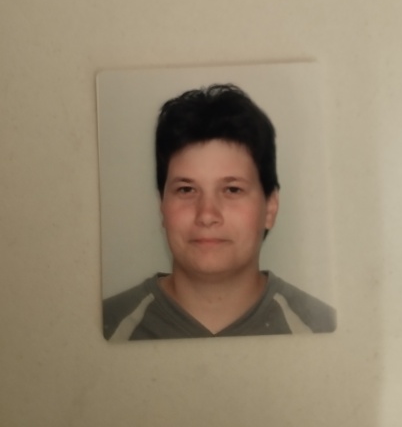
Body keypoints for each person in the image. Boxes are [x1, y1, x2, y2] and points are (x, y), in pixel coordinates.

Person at [103, 84, 336, 340]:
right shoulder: (102, 330)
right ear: (162, 205)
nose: (206, 215)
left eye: (232, 190)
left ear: (270, 207)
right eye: (186, 190)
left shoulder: (324, 333)